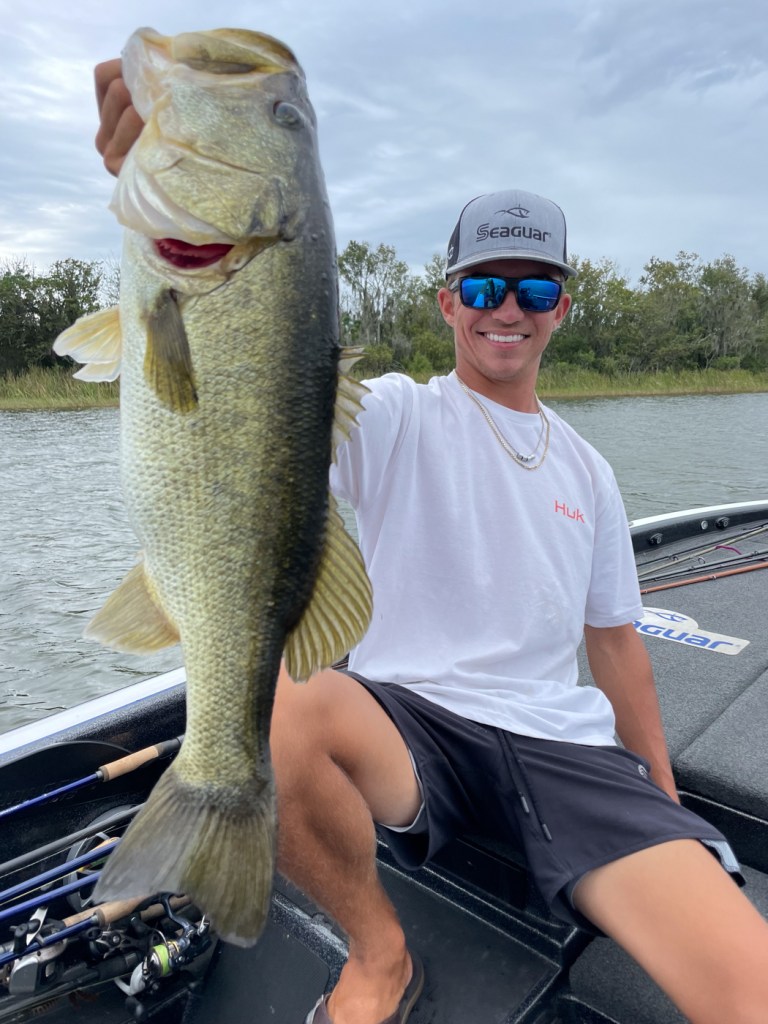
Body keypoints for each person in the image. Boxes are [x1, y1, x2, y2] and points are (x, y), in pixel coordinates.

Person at [95, 61, 768, 1024]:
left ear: (562, 309)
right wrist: (163, 207)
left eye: (535, 288)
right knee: (280, 700)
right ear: (450, 301)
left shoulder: (591, 472)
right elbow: (250, 397)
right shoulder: (393, 414)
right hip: (411, 731)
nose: (508, 308)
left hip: (564, 750)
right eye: (485, 285)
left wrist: (665, 798)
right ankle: (380, 954)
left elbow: (617, 647)